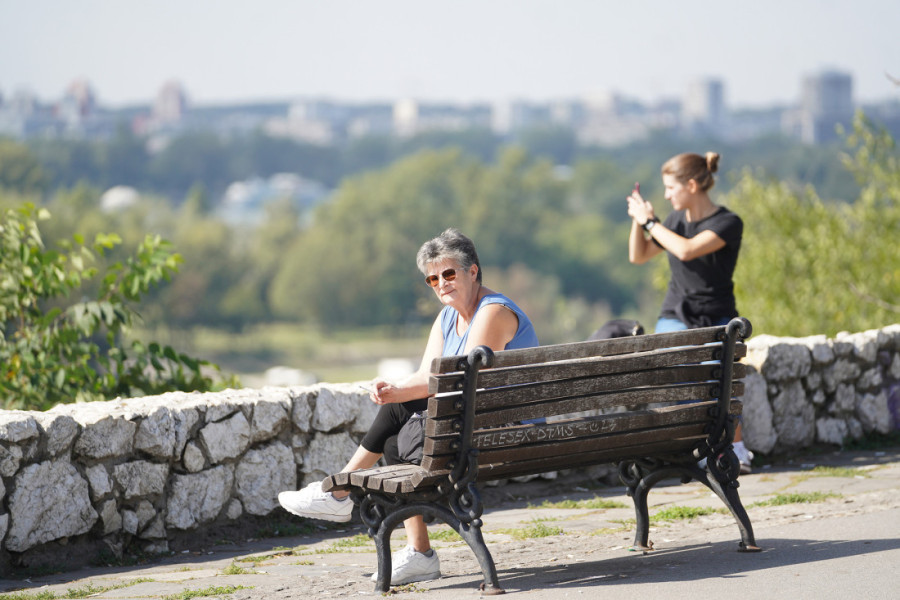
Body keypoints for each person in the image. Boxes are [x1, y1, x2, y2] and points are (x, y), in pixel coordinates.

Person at [277, 228, 539, 585]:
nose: (441, 284)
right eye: (433, 279)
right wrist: (395, 390)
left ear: (473, 271)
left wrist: (401, 396)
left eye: (449, 273)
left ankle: (342, 494)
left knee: (397, 426)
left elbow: (463, 378)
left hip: (509, 429)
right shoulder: (448, 317)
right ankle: (410, 548)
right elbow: (428, 375)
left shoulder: (493, 313)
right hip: (478, 421)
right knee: (392, 438)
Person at [626, 151, 753, 474]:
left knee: (722, 384)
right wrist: (638, 222)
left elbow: (685, 250)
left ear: (692, 185)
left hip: (718, 316)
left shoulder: (727, 222)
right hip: (677, 313)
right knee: (679, 378)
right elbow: (638, 256)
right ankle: (704, 447)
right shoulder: (674, 221)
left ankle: (735, 448)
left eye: (671, 188)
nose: (667, 195)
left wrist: (650, 222)